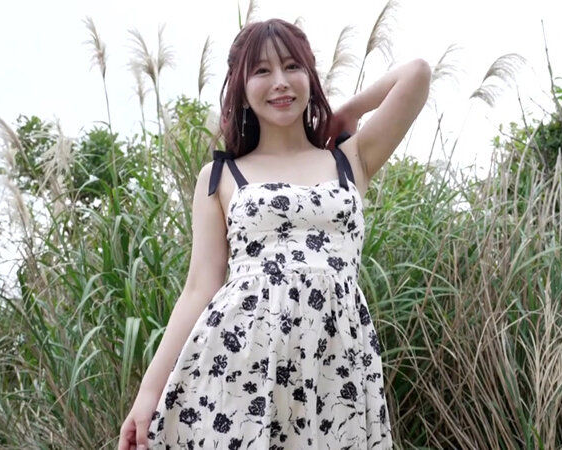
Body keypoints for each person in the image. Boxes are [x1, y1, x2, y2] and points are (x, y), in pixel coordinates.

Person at [118, 17, 430, 449]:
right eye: (262, 71)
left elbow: (417, 74)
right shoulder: (221, 176)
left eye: (292, 66)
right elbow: (199, 287)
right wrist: (147, 394)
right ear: (241, 88)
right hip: (244, 358)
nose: (280, 81)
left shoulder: (350, 160)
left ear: (310, 76)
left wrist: (347, 112)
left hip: (335, 359)